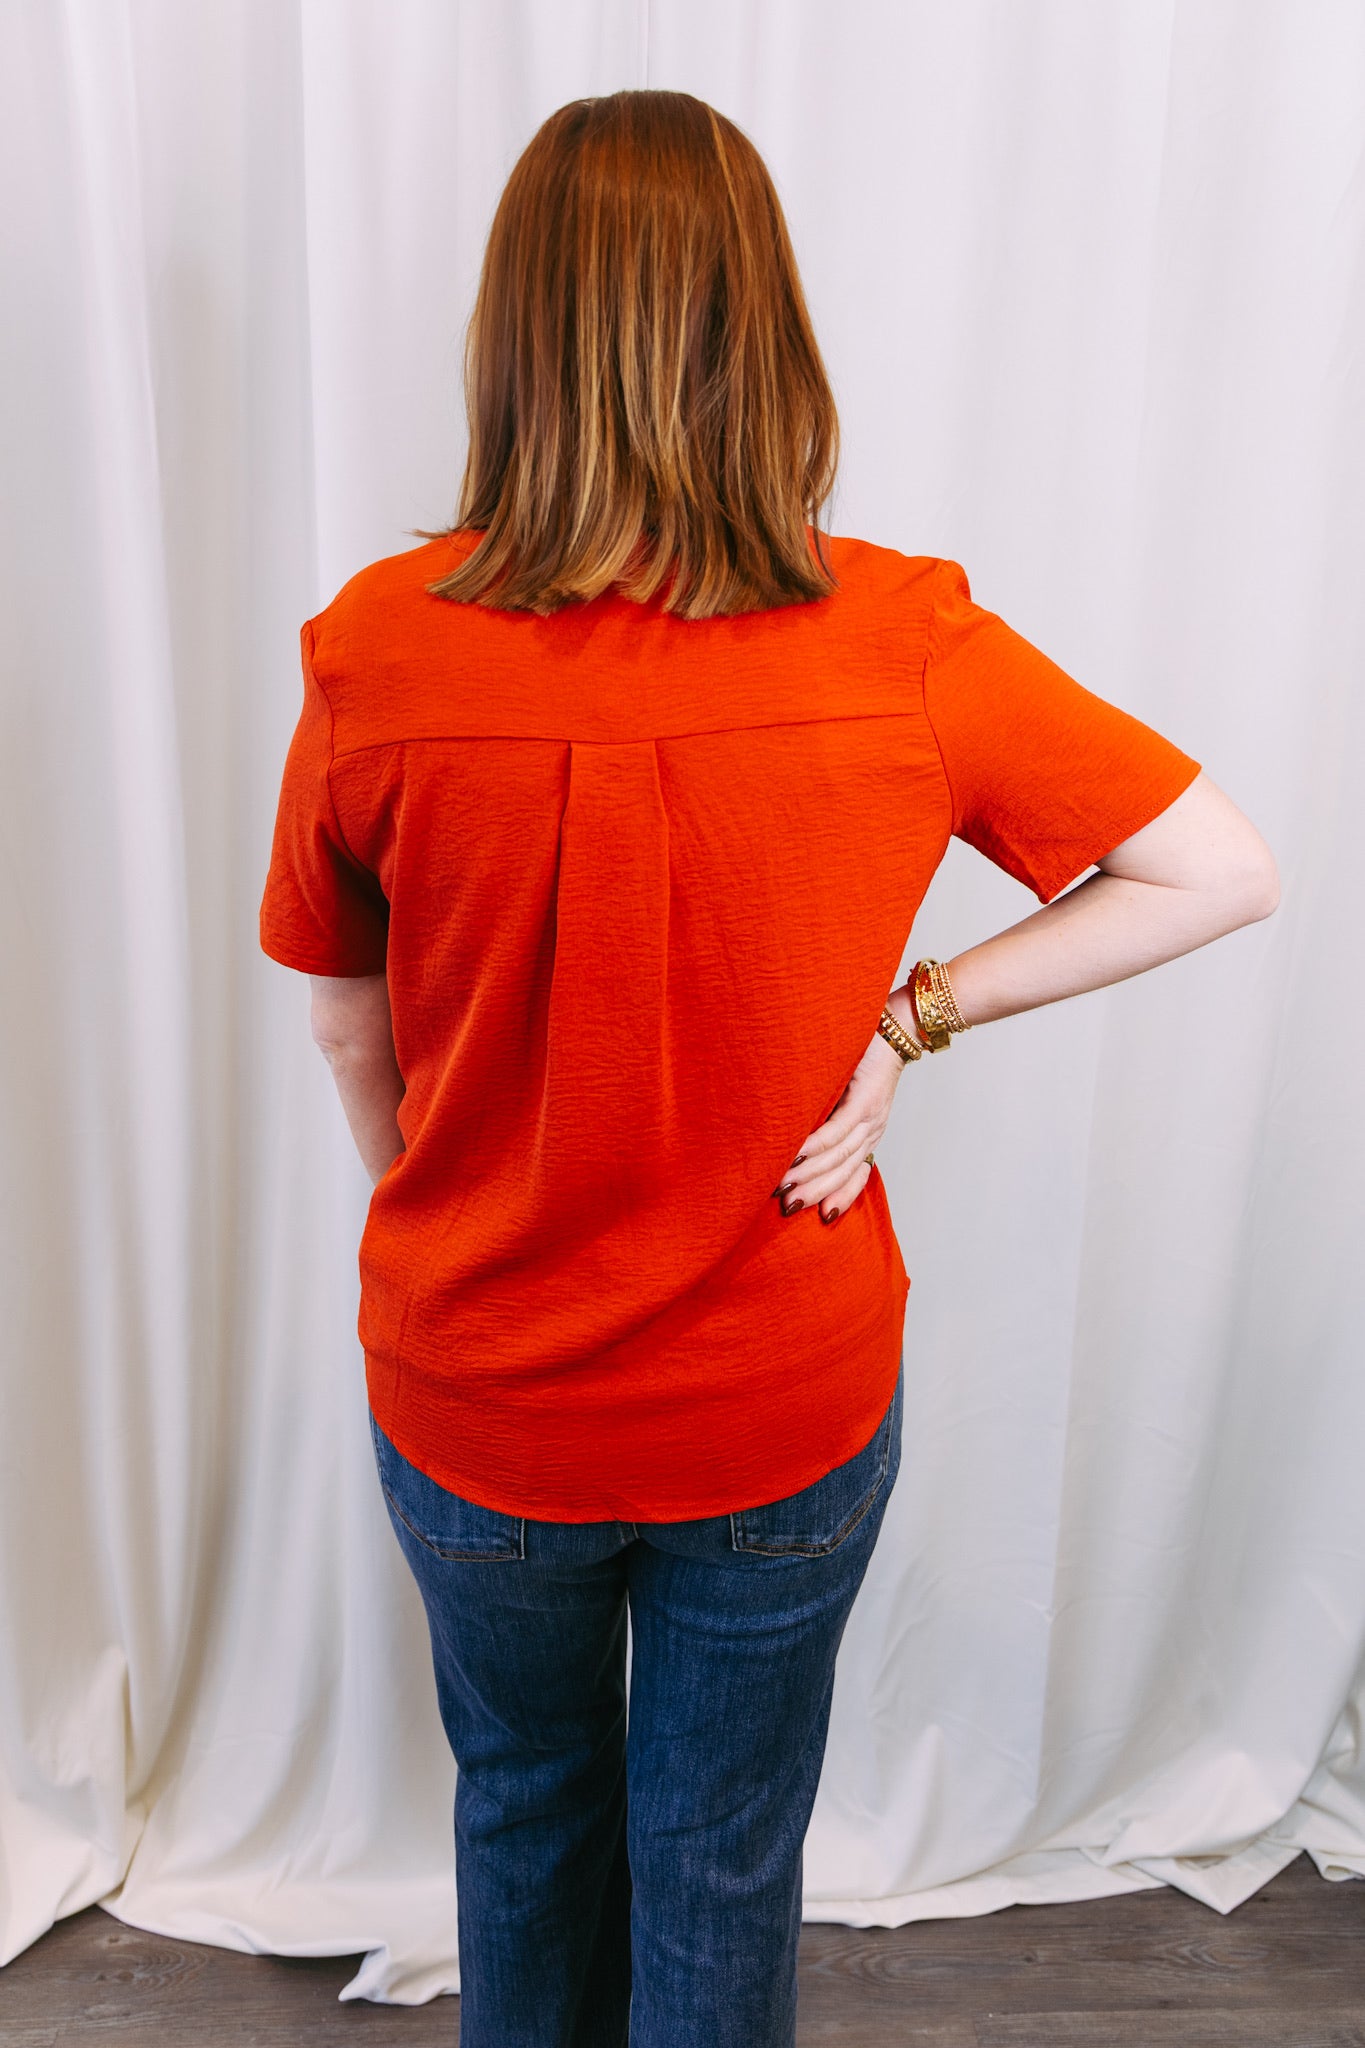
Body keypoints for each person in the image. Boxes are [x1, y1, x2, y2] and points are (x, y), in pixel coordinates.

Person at [259, 88, 1278, 2048]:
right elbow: (1213, 869)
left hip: (477, 1393)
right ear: (763, 330)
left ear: (519, 338)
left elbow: (343, 1018)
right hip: (776, 1395)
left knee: (525, 1816)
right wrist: (914, 1021)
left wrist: (456, 1203)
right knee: (721, 1860)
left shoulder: (374, 651)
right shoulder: (898, 635)